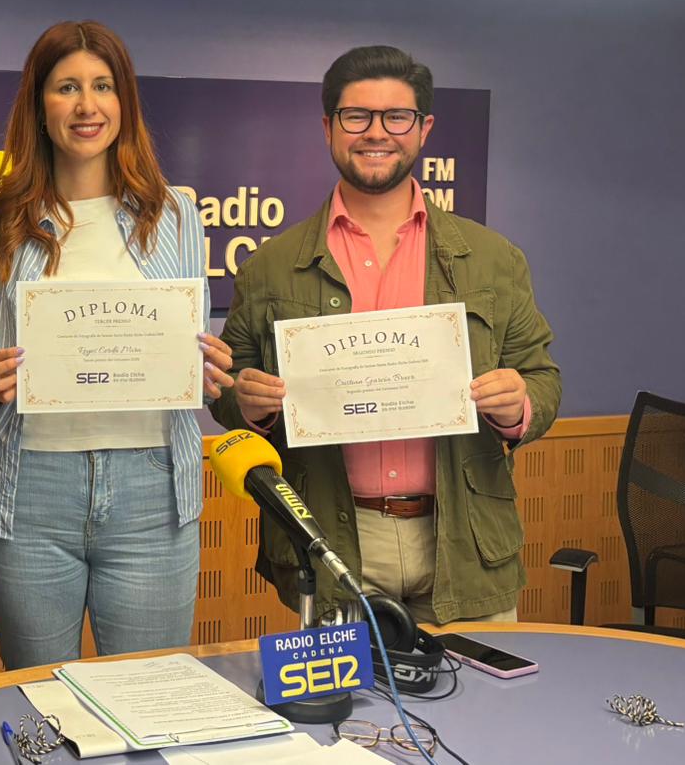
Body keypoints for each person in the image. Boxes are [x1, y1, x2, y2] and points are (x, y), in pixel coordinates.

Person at [209, 45, 561, 626]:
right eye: (356, 117)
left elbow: (542, 377)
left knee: (485, 714)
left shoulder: (494, 259)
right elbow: (228, 388)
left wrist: (518, 403)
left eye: (396, 117)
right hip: (330, 545)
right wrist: (245, 401)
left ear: (424, 129)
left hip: (465, 543)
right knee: (341, 719)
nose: (377, 133)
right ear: (328, 128)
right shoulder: (270, 265)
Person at [0, 21, 235, 668]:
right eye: (67, 87)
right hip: (28, 495)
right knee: (44, 704)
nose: (86, 105)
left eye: (103, 86)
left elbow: (192, 348)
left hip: (151, 490)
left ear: (123, 102)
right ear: (37, 105)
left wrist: (208, 368)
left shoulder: (178, 216)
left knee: (149, 700)